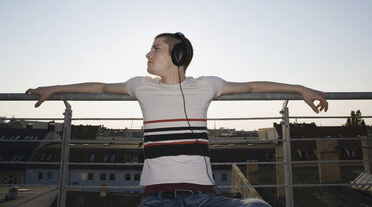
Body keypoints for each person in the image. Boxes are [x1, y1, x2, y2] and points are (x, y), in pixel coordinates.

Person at [27, 32, 328, 207]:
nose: (147, 53)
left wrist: (300, 88)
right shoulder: (140, 85)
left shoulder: (205, 85)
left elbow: (252, 86)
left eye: (155, 48)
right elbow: (99, 88)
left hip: (204, 199)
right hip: (156, 199)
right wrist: (52, 88)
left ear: (178, 55)